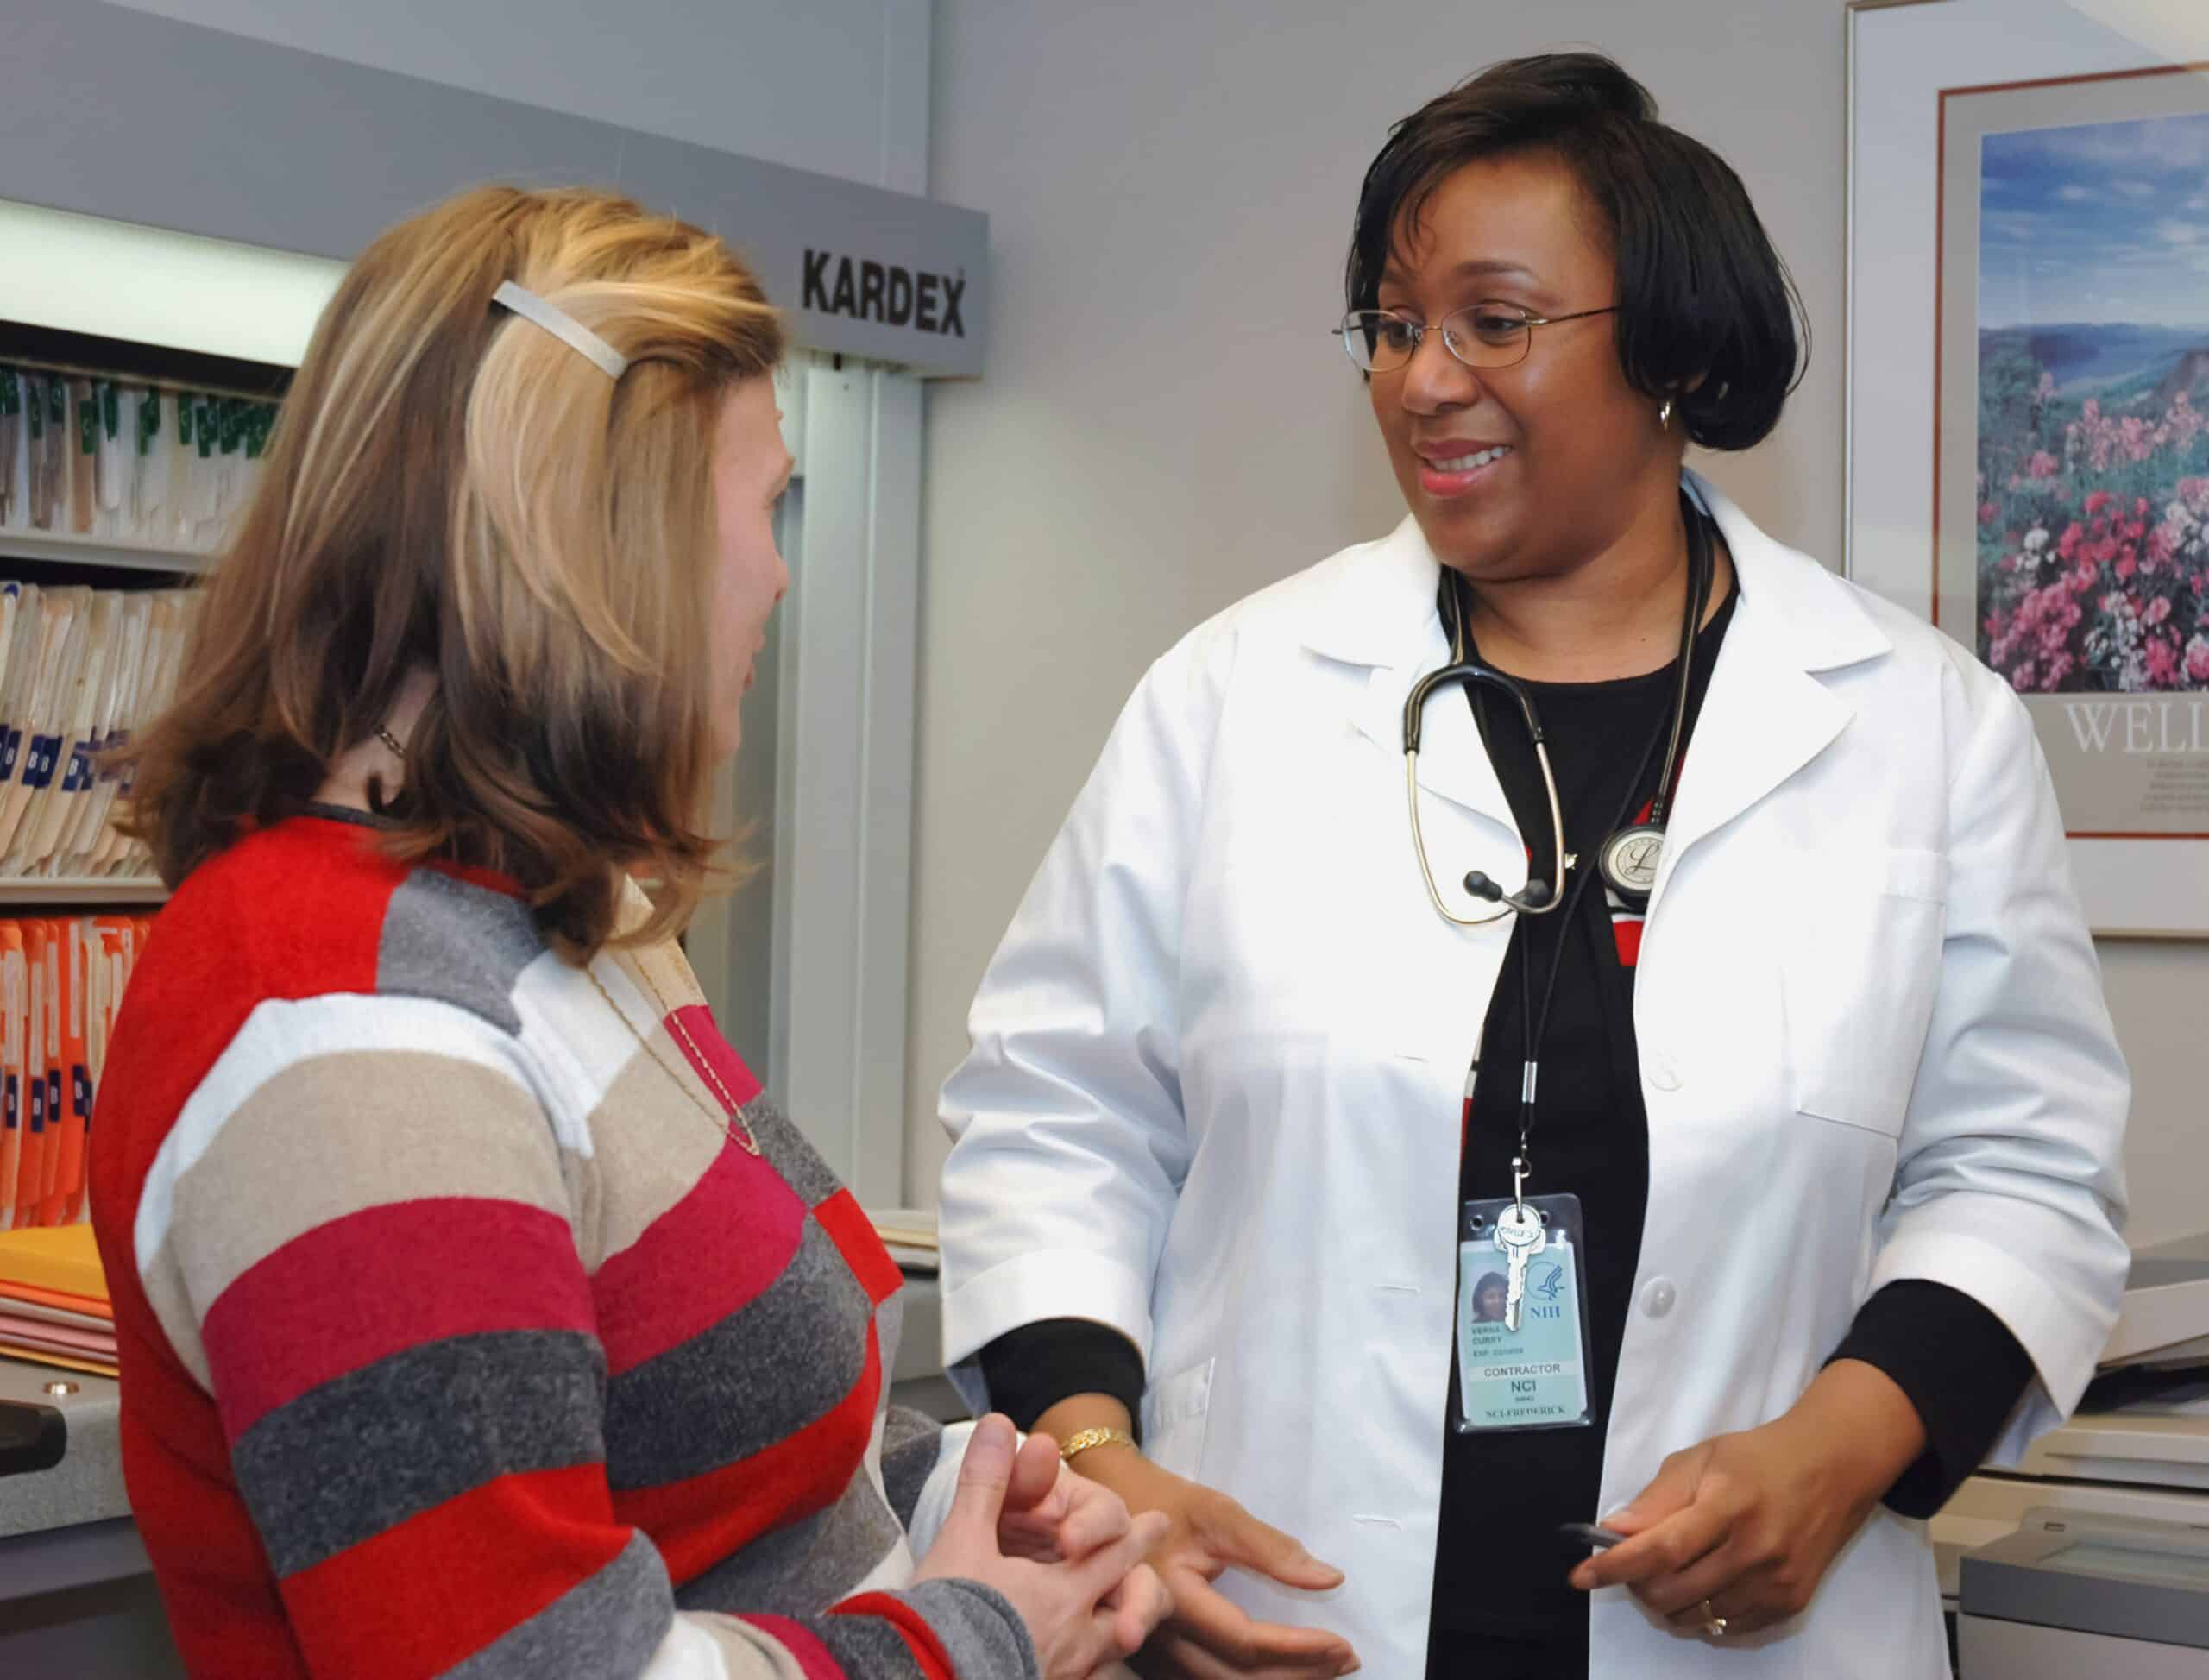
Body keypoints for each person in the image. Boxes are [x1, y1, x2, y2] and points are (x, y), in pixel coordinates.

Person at [935, 53, 2129, 1680]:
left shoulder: (1921, 730)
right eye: (1393, 322)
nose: (1426, 379)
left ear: (1666, 353)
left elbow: (2024, 1177)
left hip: (1741, 1632)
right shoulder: (1232, 700)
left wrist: (1842, 1454)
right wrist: (1097, 1471)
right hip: (1285, 1611)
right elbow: (1052, 1119)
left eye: (1494, 322)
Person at [87, 184, 1169, 1680]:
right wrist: (973, 1641)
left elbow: (717, 1468)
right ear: (618, 544)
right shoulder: (346, 1045)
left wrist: (961, 1506)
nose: (778, 572)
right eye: (763, 500)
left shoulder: (564, 926)